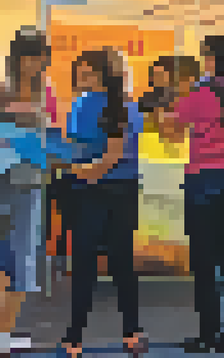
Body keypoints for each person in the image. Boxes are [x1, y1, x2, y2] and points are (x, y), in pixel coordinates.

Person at [157, 38, 224, 353]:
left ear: (212, 60)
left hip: (203, 180)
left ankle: (208, 334)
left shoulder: (199, 94)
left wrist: (163, 108)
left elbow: (169, 131)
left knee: (204, 260)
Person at [59, 49, 147, 358]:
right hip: (119, 189)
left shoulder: (88, 105)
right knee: (119, 263)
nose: (82, 77)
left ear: (101, 73)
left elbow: (105, 155)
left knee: (89, 264)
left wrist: (72, 170)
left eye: (87, 71)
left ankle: (76, 338)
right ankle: (130, 333)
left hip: (93, 189)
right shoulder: (127, 105)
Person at [1, 27, 72, 355]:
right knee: (7, 257)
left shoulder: (47, 93)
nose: (37, 63)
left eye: (41, 56)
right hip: (5, 180)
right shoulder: (4, 90)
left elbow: (51, 136)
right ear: (17, 58)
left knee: (23, 259)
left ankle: (4, 333)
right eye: (30, 56)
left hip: (30, 181)